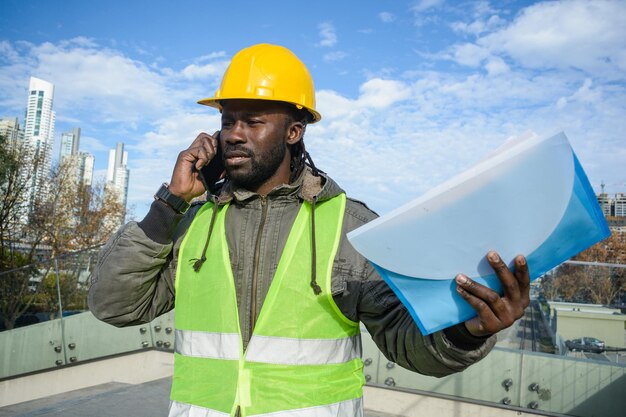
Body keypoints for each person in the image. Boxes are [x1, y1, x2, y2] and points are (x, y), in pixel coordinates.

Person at [88, 43, 529, 417]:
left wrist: (468, 332)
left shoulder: (349, 225)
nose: (233, 135)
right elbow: (114, 305)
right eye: (227, 121)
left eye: (253, 120)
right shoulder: (192, 222)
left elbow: (403, 339)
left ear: (294, 131)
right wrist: (171, 203)